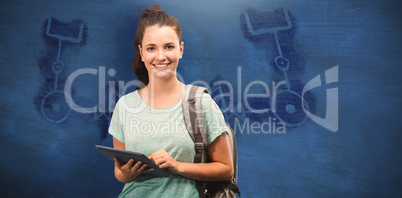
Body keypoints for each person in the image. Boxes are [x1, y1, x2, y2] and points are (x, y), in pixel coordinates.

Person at [108, 5, 233, 197]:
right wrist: (125, 174)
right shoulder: (124, 106)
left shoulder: (201, 103)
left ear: (180, 49)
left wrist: (178, 166)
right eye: (151, 48)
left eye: (168, 47)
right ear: (142, 53)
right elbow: (119, 172)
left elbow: (226, 168)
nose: (160, 56)